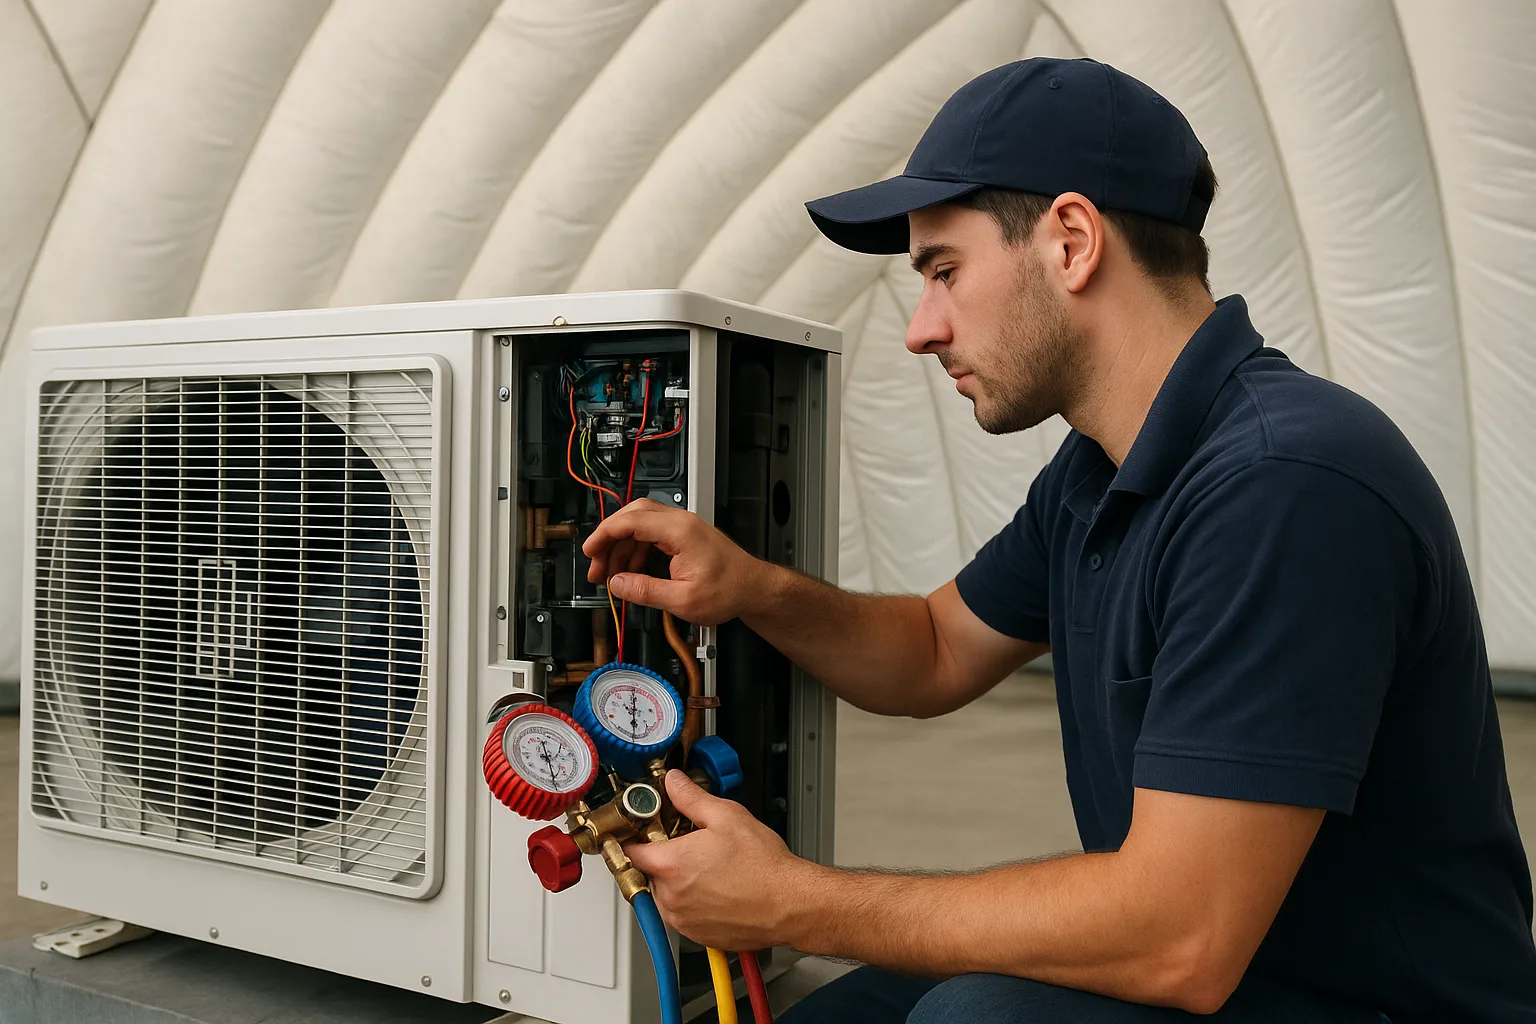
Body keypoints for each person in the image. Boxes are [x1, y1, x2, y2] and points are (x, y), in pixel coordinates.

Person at [582, 58, 1536, 1023]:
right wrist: (749, 589)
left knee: (975, 1021)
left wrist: (797, 901)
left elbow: (1180, 938)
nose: (920, 330)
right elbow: (933, 649)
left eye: (944, 272)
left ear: (1072, 242)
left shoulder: (1284, 482)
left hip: (1366, 1003)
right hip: (1227, 977)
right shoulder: (1097, 472)